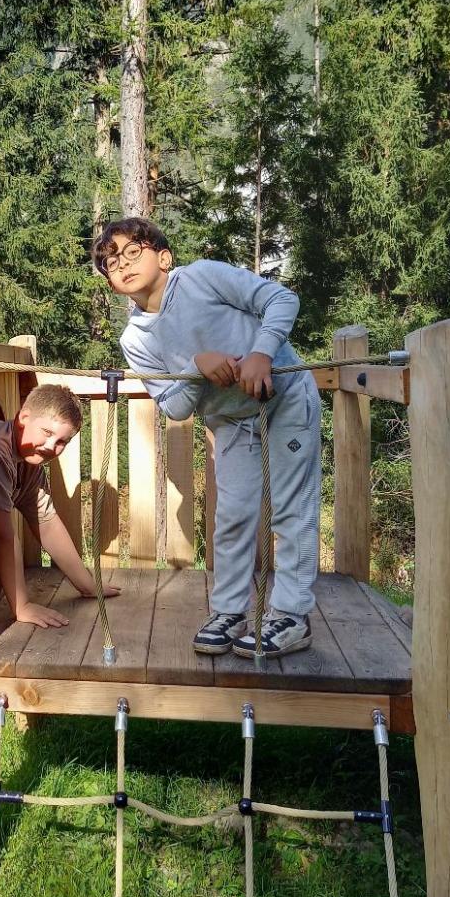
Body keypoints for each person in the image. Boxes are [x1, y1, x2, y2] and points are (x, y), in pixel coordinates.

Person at [94, 217, 321, 658]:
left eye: (132, 252)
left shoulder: (202, 277)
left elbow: (281, 299)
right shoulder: (135, 339)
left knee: (291, 511)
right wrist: (197, 368)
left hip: (285, 399)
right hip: (231, 421)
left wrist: (261, 353)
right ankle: (230, 611)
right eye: (111, 263)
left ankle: (292, 616)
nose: (122, 264)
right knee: (232, 516)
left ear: (164, 257)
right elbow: (174, 406)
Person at [0, 384, 120, 623]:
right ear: (24, 418)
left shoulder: (29, 464)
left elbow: (46, 522)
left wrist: (87, 585)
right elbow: (1, 536)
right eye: (47, 432)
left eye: (62, 441)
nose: (51, 446)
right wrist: (22, 606)